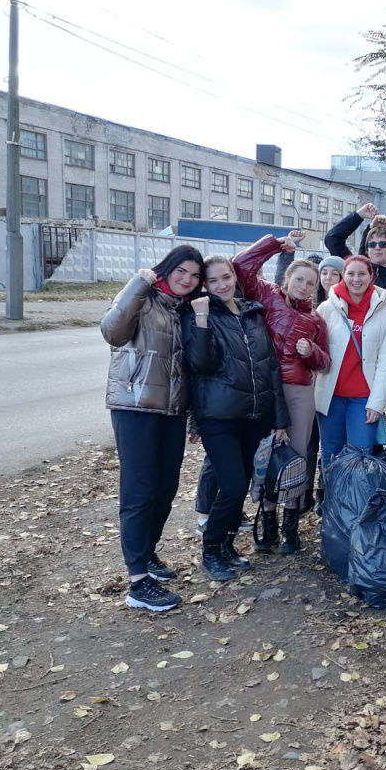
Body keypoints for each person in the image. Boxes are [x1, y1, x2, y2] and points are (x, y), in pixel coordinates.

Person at [102, 245, 204, 612]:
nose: (187, 280)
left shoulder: (185, 310)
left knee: (165, 487)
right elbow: (112, 332)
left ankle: (146, 555)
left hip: (172, 410)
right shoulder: (143, 298)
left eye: (194, 276)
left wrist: (191, 414)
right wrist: (137, 283)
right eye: (182, 271)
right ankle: (137, 581)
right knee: (139, 490)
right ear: (167, 268)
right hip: (136, 406)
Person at [183, 256, 290, 582]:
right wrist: (201, 318)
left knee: (242, 483)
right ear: (205, 285)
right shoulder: (200, 315)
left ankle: (227, 545)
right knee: (230, 485)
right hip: (219, 416)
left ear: (234, 277)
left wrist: (279, 417)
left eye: (225, 277)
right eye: (213, 281)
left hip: (254, 415)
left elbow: (269, 367)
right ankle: (210, 549)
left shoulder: (251, 313)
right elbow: (200, 363)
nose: (221, 285)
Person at [232, 236, 330, 554]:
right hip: (263, 391)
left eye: (310, 282)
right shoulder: (268, 297)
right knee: (264, 456)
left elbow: (325, 362)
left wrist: (311, 351)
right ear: (286, 279)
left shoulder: (316, 320)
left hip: (299, 393)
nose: (304, 286)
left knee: (296, 458)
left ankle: (291, 527)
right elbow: (239, 268)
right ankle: (268, 520)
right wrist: (275, 245)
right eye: (299, 279)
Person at [314, 255, 386, 473]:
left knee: (360, 455)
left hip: (364, 398)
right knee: (331, 452)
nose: (356, 279)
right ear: (344, 276)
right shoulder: (326, 308)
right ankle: (333, 502)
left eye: (362, 273)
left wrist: (377, 402)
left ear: (371, 276)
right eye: (351, 273)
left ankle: (357, 505)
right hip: (331, 395)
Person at [325, 203, 386, 306]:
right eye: (372, 244)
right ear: (367, 250)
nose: (377, 248)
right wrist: (359, 215)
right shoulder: (355, 268)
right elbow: (332, 239)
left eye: (383, 244)